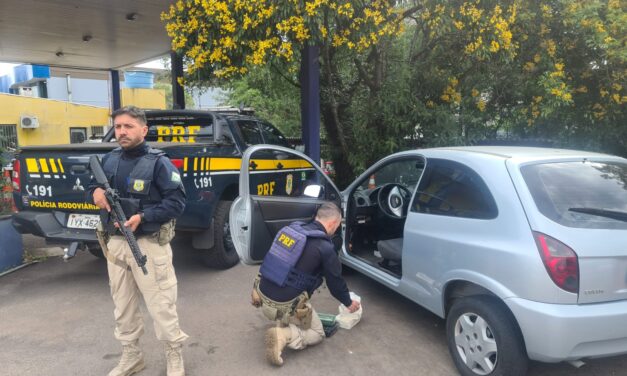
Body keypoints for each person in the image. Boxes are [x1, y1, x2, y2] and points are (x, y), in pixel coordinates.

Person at [89, 105, 187, 376]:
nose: (122, 131)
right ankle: (132, 355)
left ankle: (174, 354)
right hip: (117, 244)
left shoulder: (159, 163)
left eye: (128, 126)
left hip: (148, 244)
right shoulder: (109, 159)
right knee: (123, 304)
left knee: (161, 303)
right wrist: (95, 192)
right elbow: (92, 186)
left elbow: (177, 202)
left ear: (143, 130)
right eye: (118, 126)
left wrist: (143, 216)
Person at [251, 202, 361, 366]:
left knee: (289, 283)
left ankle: (282, 323)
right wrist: (348, 302)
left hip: (261, 292)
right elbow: (335, 283)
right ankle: (283, 335)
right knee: (317, 333)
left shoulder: (292, 229)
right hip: (285, 302)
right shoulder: (325, 247)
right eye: (338, 227)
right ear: (333, 224)